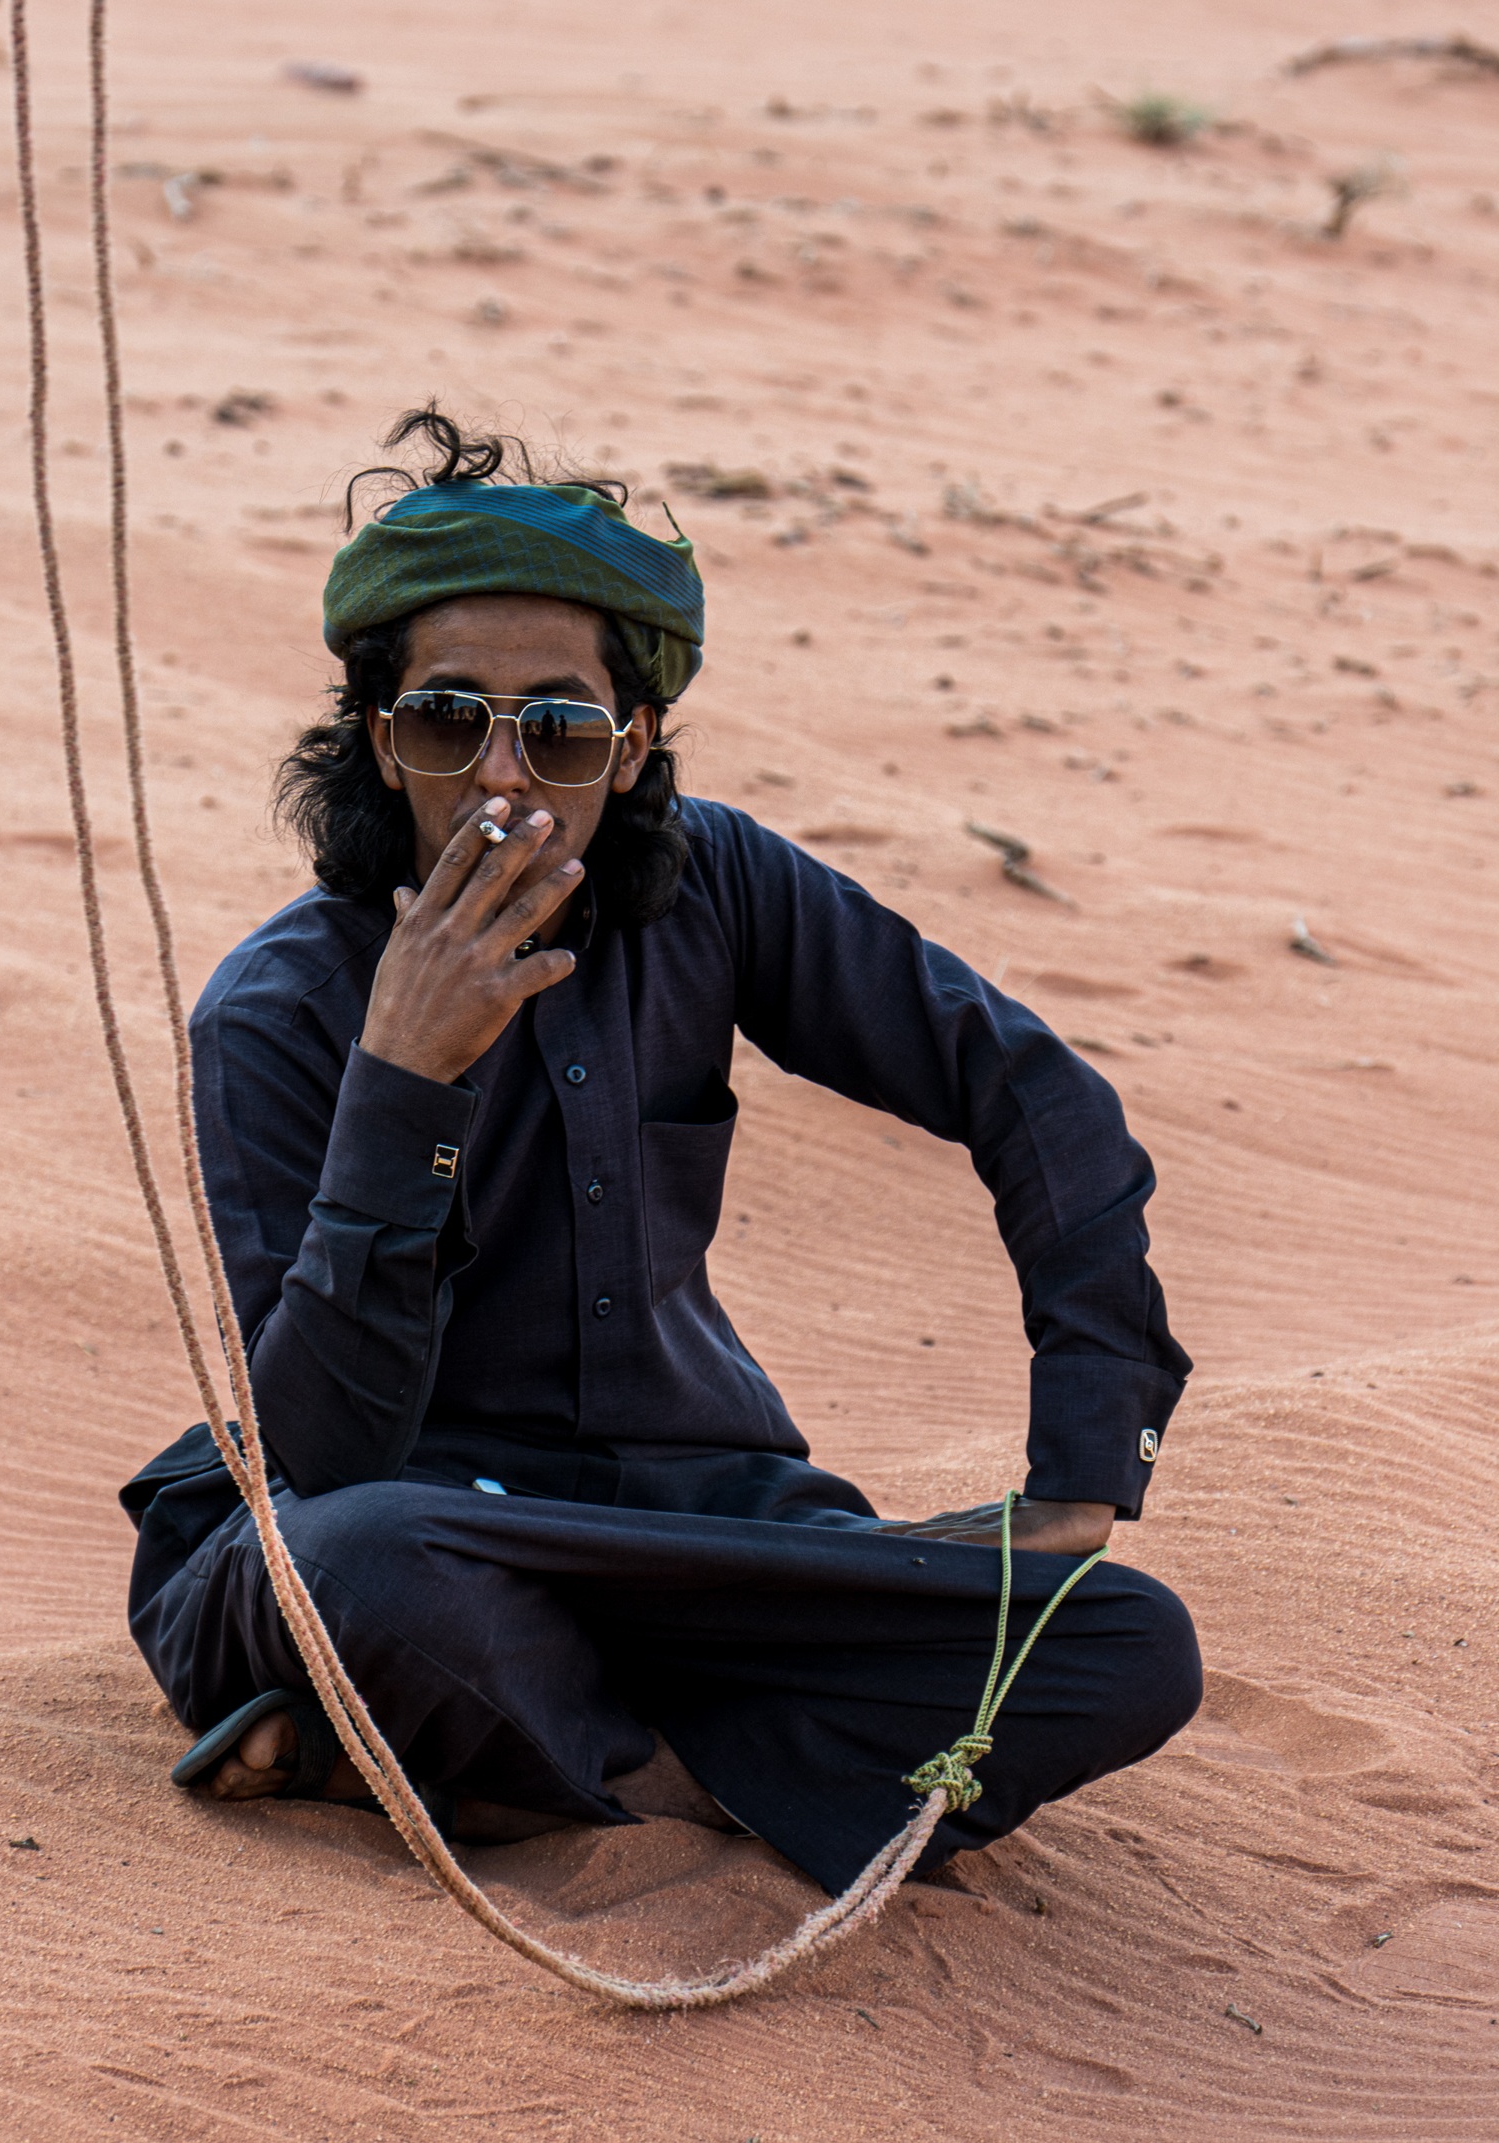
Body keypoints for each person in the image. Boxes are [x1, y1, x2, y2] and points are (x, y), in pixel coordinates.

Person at [120, 411, 1201, 1893]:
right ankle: (681, 1774)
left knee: (1123, 1644)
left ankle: (499, 1763)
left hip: (700, 1531)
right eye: (447, 723)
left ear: (630, 751)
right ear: (380, 740)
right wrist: (405, 1081)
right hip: (419, 1521)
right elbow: (322, 1455)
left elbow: (1030, 1092)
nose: (503, 778)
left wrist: (1082, 1466)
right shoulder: (275, 1013)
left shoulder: (718, 889)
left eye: (560, 730)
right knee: (360, 1575)